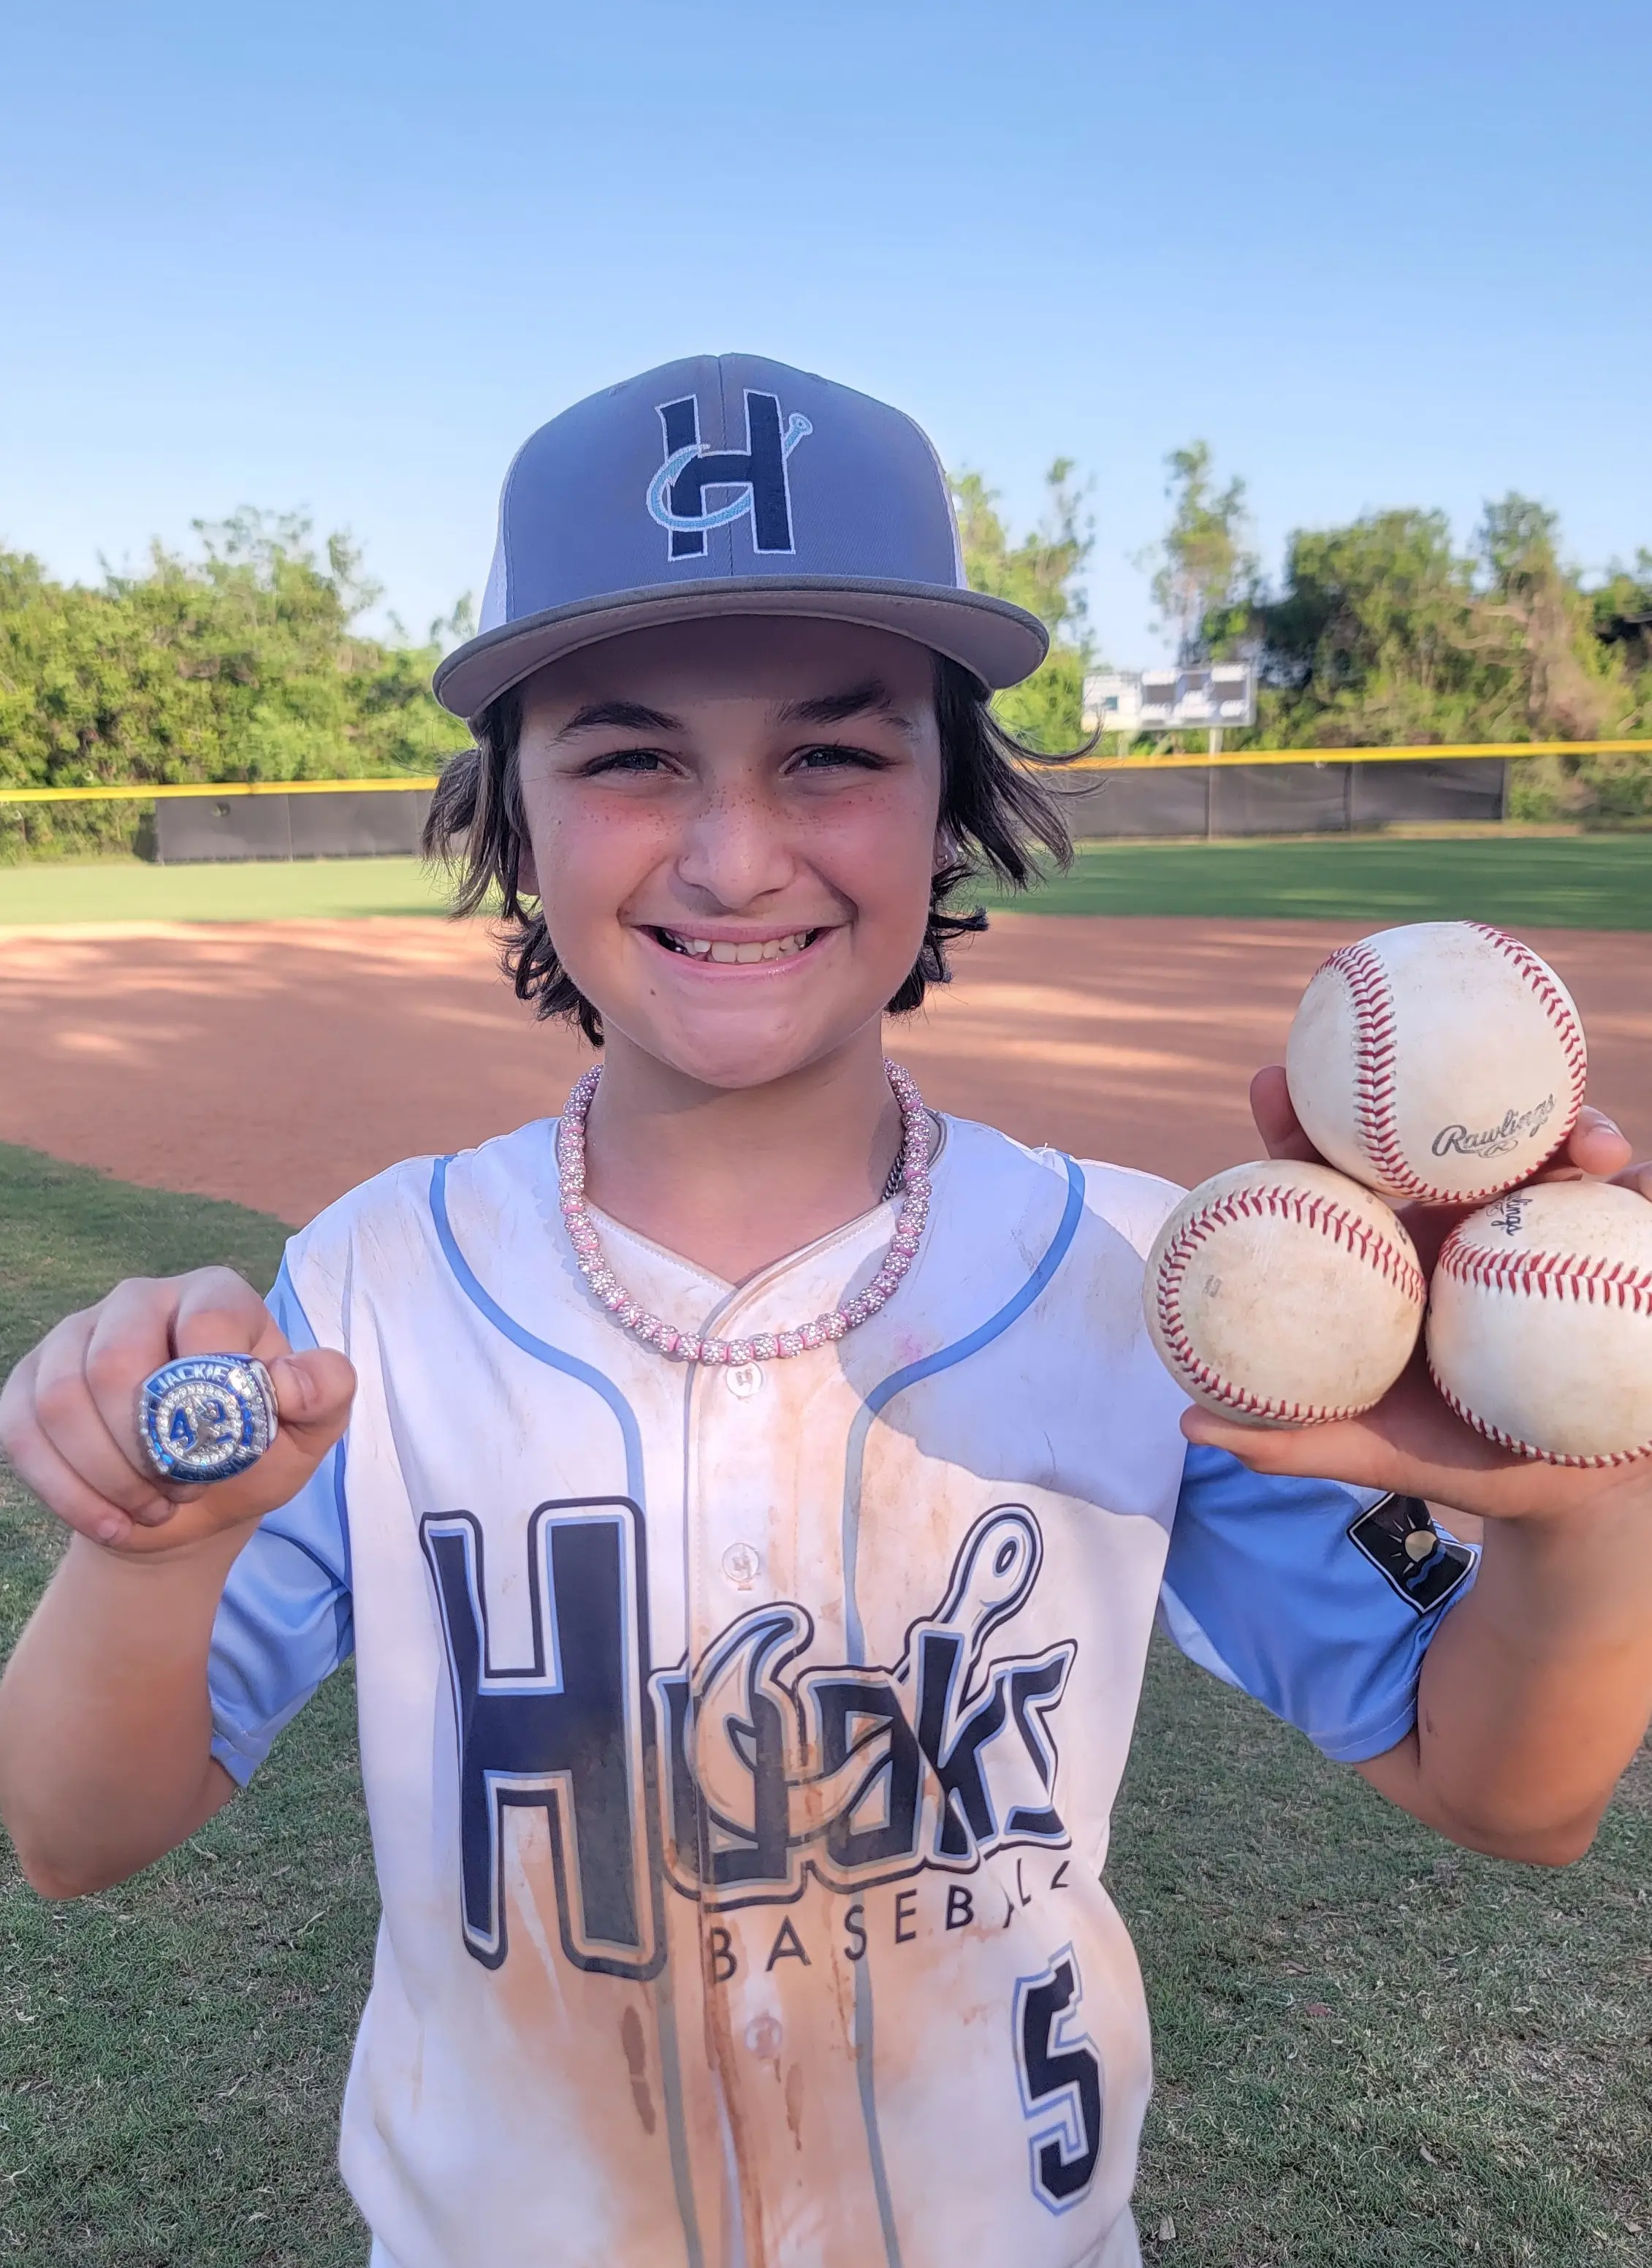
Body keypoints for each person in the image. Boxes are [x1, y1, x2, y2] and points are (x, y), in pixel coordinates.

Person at [1, 354, 1649, 2268]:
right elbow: (73, 1831)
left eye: (833, 756)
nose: (732, 854)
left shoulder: (1155, 1286)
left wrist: (1580, 1505)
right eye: (629, 757)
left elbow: (1516, 1796)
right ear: (514, 817)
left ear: (950, 803)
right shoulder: (375, 1286)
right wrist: (149, 1549)